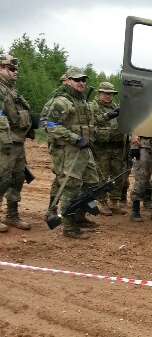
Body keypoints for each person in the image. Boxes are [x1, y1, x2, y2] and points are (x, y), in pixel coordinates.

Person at [42, 66, 100, 240]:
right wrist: (74, 138)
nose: (81, 82)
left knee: (92, 182)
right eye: (77, 80)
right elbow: (48, 124)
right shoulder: (62, 101)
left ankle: (79, 216)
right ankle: (68, 227)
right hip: (69, 150)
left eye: (83, 80)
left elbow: (89, 124)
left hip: (84, 150)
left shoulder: (81, 101)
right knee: (70, 187)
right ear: (67, 80)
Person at [0, 54, 35, 232]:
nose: (15, 72)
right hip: (4, 142)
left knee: (18, 177)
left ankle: (12, 215)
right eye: (11, 69)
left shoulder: (11, 90)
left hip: (17, 141)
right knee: (2, 178)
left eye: (16, 69)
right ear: (0, 68)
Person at [90, 81, 126, 215]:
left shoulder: (115, 107)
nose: (108, 96)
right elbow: (91, 123)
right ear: (99, 93)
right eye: (105, 93)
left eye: (110, 94)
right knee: (102, 176)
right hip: (101, 148)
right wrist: (107, 116)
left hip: (116, 147)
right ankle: (102, 202)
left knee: (118, 175)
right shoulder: (93, 107)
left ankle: (114, 202)